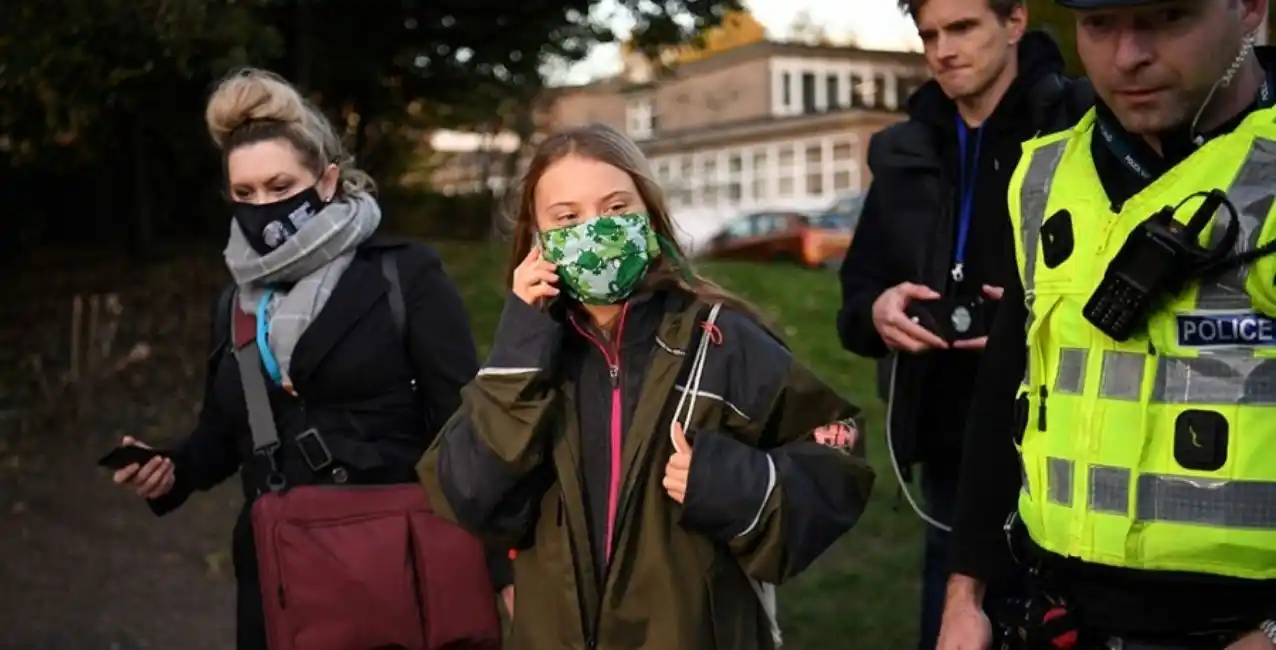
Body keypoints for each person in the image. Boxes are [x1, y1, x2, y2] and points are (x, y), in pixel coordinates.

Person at [416, 122, 876, 650]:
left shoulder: (720, 338)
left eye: (615, 209)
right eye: (568, 218)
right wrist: (520, 339)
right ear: (538, 240)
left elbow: (836, 448)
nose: (596, 230)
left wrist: (740, 484)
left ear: (649, 218)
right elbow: (471, 494)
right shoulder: (525, 358)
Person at [108, 68, 511, 649]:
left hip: (394, 565)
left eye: (279, 186)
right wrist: (169, 468)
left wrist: (499, 566)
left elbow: (467, 431)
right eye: (243, 194)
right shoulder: (235, 303)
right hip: (281, 579)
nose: (261, 207)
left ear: (325, 181)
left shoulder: (402, 274)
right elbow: (224, 435)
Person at [938, 0, 1276, 648]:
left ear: (1249, 8)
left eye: (1169, 16)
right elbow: (1005, 388)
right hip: (1058, 615)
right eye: (1099, 25)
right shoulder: (1041, 173)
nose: (1127, 57)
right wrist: (965, 594)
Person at [835, 0, 1093, 647]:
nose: (943, 49)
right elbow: (856, 298)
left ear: (1014, 22)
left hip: (1068, 430)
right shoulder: (902, 150)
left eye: (962, 27)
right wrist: (880, 310)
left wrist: (1032, 315)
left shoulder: (1081, 122)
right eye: (929, 35)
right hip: (948, 437)